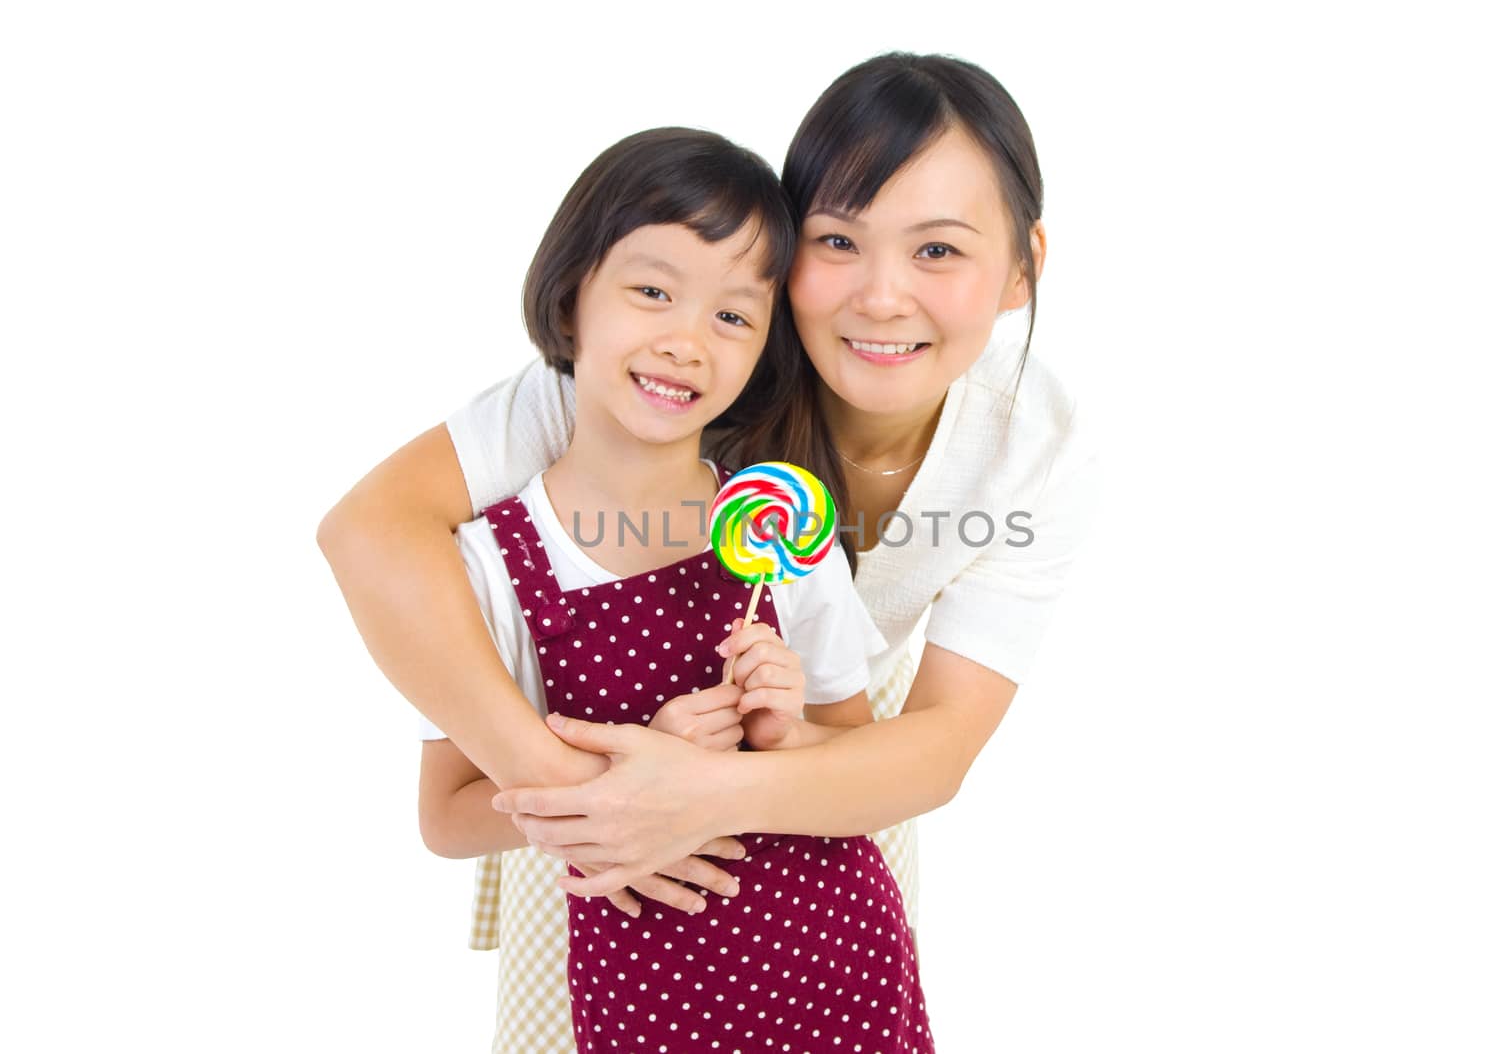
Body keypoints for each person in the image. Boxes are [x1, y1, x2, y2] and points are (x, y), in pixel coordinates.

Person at [319, 52, 1093, 1053]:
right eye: (837, 240)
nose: (882, 295)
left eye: (938, 250)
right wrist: (585, 793)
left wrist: (723, 775)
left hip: (834, 803)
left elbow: (929, 743)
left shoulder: (1033, 447)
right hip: (597, 861)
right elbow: (370, 531)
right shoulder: (639, 385)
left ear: (1024, 264)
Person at [409, 125, 933, 1052]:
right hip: (650, 999)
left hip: (839, 970)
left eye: (733, 316)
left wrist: (783, 734)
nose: (688, 342)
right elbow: (446, 820)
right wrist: (616, 780)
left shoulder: (781, 530)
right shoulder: (490, 563)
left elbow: (862, 769)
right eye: (652, 291)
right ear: (573, 299)